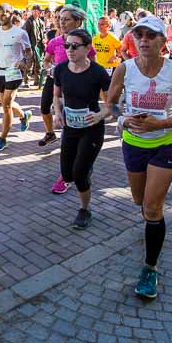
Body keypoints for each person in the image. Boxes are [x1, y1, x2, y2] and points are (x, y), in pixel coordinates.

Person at [105, 16, 172, 299]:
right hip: (133, 143)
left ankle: (150, 268)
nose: (143, 40)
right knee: (140, 202)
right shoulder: (124, 68)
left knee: (153, 208)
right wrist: (123, 119)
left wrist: (160, 124)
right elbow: (111, 103)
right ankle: (150, 224)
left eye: (150, 35)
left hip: (165, 143)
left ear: (163, 41)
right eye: (139, 35)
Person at [53, 28, 111, 229]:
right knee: (67, 174)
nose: (69, 50)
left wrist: (100, 115)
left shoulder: (98, 72)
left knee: (79, 175)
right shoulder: (61, 69)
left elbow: (112, 104)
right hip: (70, 128)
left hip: (91, 128)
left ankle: (84, 209)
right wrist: (57, 112)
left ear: (87, 48)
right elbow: (56, 95)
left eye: (75, 46)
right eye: (67, 45)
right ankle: (85, 168)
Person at [40, 5, 97, 193]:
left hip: (78, 91)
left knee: (74, 130)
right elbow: (46, 60)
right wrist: (50, 70)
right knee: (57, 120)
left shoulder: (85, 43)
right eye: (60, 19)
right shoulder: (55, 41)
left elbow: (93, 67)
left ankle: (75, 171)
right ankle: (69, 172)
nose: (61, 22)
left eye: (66, 19)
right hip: (58, 85)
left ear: (77, 22)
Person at [0, 3, 33, 152]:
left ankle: (3, 138)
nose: (1, 17)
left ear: (11, 14)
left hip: (14, 72)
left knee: (6, 105)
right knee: (5, 103)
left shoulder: (20, 33)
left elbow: (28, 51)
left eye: (4, 14)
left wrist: (24, 61)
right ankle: (24, 115)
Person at [23, 5, 47, 88]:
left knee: (39, 64)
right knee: (29, 64)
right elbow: (25, 34)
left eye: (40, 11)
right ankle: (26, 81)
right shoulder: (29, 21)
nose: (39, 12)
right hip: (31, 45)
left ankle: (38, 81)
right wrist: (27, 47)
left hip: (39, 46)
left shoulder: (41, 21)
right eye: (38, 10)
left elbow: (44, 33)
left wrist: (44, 40)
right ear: (33, 11)